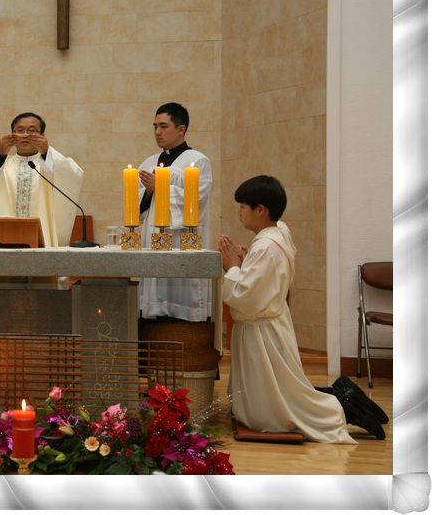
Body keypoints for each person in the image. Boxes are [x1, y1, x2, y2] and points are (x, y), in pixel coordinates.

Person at [218, 175, 385, 441]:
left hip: (261, 332)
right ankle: (343, 398)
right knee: (282, 393)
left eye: (243, 206)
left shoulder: (266, 246)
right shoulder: (278, 233)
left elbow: (245, 296)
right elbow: (265, 280)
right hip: (271, 325)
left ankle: (341, 407)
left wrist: (233, 267)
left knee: (265, 414)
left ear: (260, 210)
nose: (239, 212)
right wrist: (247, 261)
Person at [137, 102, 212, 322]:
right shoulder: (149, 163)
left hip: (182, 239)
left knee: (181, 296)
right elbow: (138, 208)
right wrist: (148, 192)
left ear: (181, 129)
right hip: (153, 239)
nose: (157, 132)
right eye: (155, 127)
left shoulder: (198, 161)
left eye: (163, 126)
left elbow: (197, 200)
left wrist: (160, 187)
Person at [0, 112, 84, 250]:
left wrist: (46, 152)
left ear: (42, 135)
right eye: (20, 130)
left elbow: (71, 178)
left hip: (42, 240)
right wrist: (0, 154)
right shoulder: (0, 164)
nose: (25, 135)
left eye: (32, 130)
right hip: (4, 239)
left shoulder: (49, 164)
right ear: (12, 134)